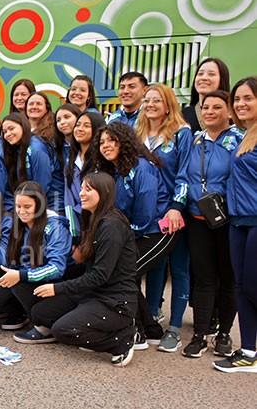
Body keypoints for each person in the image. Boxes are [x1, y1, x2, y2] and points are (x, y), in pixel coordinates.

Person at [19, 172, 138, 367]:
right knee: (40, 312)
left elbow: (100, 275)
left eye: (88, 189)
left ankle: (121, 339)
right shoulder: (95, 219)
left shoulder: (112, 226)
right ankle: (87, 323)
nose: (81, 193)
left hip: (115, 300)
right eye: (81, 188)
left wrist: (57, 288)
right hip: (92, 293)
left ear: (105, 192)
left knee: (63, 330)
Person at [171, 90, 241, 357]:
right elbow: (182, 178)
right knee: (202, 277)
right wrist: (178, 205)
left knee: (228, 277)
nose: (210, 112)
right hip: (197, 218)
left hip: (228, 220)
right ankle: (200, 334)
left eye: (216, 107)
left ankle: (224, 333)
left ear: (229, 111)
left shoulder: (239, 141)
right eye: (206, 107)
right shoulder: (195, 140)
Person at [90, 120, 170, 347]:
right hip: (133, 233)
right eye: (102, 142)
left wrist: (121, 239)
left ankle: (137, 332)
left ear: (124, 141)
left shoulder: (141, 167)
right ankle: (151, 331)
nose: (105, 145)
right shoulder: (113, 170)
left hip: (155, 232)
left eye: (111, 140)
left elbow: (145, 213)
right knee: (125, 276)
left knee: (122, 275)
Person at [135, 83, 192, 347]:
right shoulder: (138, 134)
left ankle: (176, 327)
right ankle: (152, 318)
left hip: (172, 214)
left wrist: (176, 207)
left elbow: (185, 175)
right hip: (145, 214)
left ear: (168, 103)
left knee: (179, 268)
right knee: (153, 267)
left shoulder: (181, 134)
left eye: (156, 100)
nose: (150, 105)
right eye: (146, 100)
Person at [0, 181, 72, 331]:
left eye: (27, 207)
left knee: (19, 283)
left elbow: (57, 268)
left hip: (56, 283)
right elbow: (9, 261)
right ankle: (23, 314)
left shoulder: (55, 227)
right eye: (18, 206)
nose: (22, 211)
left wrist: (22, 275)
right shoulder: (20, 226)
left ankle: (43, 326)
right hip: (29, 278)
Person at [220, 76, 257, 372]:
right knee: (243, 286)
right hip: (238, 221)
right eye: (238, 100)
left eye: (248, 98)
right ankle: (248, 351)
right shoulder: (244, 135)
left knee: (254, 286)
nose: (241, 104)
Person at [1, 112, 63, 212]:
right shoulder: (16, 150)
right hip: (31, 206)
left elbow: (42, 184)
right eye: (4, 131)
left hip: (52, 206)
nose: (8, 134)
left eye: (12, 129)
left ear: (24, 127)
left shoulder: (36, 148)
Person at [64, 110, 103, 240]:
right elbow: (68, 197)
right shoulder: (71, 159)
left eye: (87, 126)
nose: (80, 129)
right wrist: (74, 232)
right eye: (78, 125)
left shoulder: (101, 159)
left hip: (97, 224)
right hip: (78, 225)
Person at [183, 58, 230, 133]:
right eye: (200, 74)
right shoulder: (183, 115)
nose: (204, 78)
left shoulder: (233, 115)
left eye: (211, 74)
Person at [26, 92, 63, 169]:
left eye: (39, 104)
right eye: (31, 104)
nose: (34, 107)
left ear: (46, 108)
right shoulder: (21, 130)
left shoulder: (54, 132)